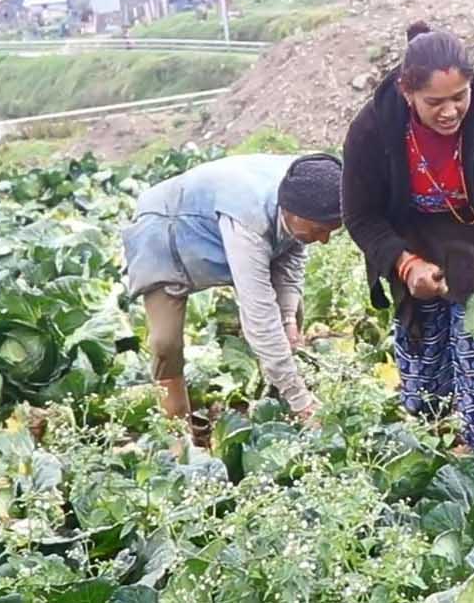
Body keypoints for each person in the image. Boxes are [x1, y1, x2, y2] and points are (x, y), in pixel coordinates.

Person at [342, 25, 474, 451]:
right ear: (407, 91)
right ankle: (430, 457)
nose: (449, 111)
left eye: (460, 96)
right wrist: (406, 264)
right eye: (434, 102)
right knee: (424, 383)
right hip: (413, 246)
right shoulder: (372, 130)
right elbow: (361, 215)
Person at [121, 153, 344, 436]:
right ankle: (177, 435)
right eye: (320, 231)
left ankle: (278, 404)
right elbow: (260, 316)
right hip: (167, 231)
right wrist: (302, 400)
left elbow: (292, 256)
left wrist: (287, 317)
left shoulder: (310, 185)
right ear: (295, 214)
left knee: (291, 314)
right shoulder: (249, 220)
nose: (324, 240)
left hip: (230, 225)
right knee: (166, 343)